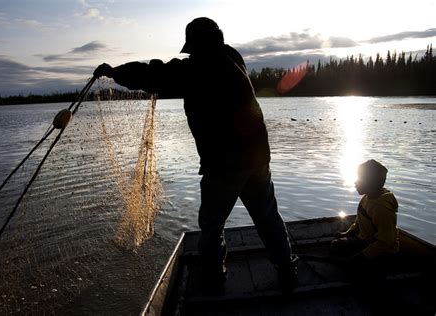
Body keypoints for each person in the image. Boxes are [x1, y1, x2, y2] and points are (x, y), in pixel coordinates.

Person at [94, 17, 296, 291]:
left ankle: (213, 277)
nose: (191, 54)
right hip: (257, 157)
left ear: (199, 46)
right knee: (267, 216)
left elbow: (154, 74)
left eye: (193, 48)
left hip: (225, 164)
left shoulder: (201, 68)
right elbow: (164, 73)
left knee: (212, 224)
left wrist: (114, 71)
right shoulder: (231, 56)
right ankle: (286, 268)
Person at [330, 159, 399, 262]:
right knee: (335, 245)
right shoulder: (367, 198)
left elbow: (386, 242)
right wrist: (347, 233)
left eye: (359, 178)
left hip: (383, 251)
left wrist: (363, 255)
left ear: (371, 183)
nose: (355, 182)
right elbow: (359, 221)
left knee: (351, 265)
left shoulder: (380, 208)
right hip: (365, 240)